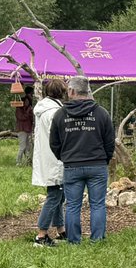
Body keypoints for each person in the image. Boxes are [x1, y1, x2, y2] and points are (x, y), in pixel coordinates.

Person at [49, 76, 115, 244]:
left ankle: (73, 240)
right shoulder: (101, 112)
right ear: (87, 91)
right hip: (97, 164)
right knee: (98, 205)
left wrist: (64, 157)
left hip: (72, 165)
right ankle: (97, 239)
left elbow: (54, 143)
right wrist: (104, 158)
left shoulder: (60, 114)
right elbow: (109, 141)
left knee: (72, 205)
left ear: (71, 91)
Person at [31, 77, 68, 247]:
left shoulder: (43, 108)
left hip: (47, 158)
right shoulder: (55, 112)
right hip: (55, 159)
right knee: (54, 196)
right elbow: (61, 136)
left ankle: (60, 229)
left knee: (59, 196)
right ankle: (41, 235)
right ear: (62, 92)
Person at [14, 85, 34, 166]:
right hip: (22, 129)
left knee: (28, 146)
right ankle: (18, 162)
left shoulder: (29, 109)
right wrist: (28, 111)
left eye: (28, 101)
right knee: (22, 146)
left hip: (28, 129)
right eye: (26, 101)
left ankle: (28, 161)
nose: (27, 103)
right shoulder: (19, 109)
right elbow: (21, 117)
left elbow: (31, 118)